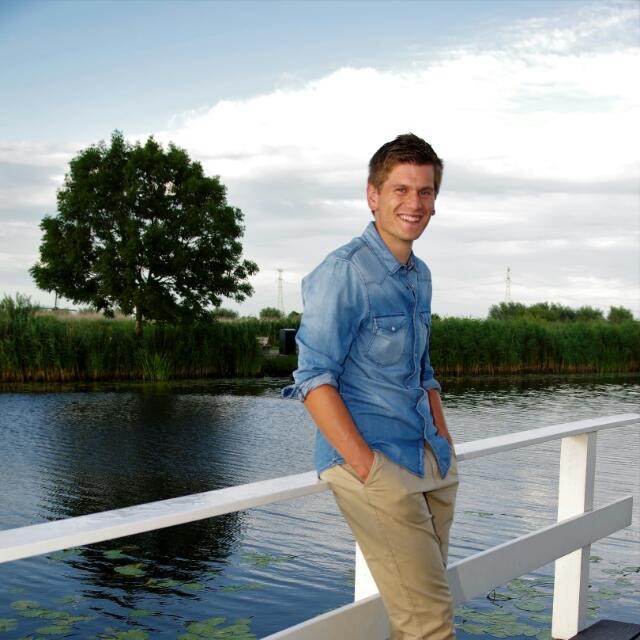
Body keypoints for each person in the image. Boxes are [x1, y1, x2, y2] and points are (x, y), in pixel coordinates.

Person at [283, 133, 458, 640]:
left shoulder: (418, 275)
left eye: (425, 191)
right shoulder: (344, 272)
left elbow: (423, 371)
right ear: (373, 195)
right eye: (401, 189)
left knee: (418, 617)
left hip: (427, 460)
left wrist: (444, 443)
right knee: (430, 623)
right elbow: (313, 378)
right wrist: (368, 468)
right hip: (378, 465)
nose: (414, 203)